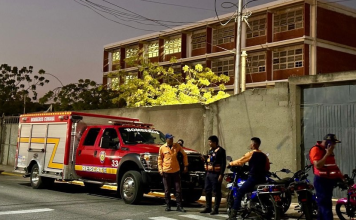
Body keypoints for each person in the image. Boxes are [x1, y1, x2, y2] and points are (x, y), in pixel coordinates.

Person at [227, 137, 270, 220]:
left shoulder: (251, 153)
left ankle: (233, 215)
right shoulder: (264, 155)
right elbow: (267, 167)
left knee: (240, 192)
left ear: (254, 144)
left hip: (253, 178)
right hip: (262, 178)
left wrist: (230, 163)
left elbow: (240, 161)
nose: (250, 145)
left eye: (251, 143)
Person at [309, 134, 343, 220]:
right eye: (333, 143)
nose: (334, 146)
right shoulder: (316, 150)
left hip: (329, 181)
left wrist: (341, 177)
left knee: (323, 206)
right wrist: (327, 154)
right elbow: (318, 166)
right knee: (325, 205)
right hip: (321, 181)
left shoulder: (329, 151)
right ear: (328, 142)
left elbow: (333, 166)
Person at [158, 133, 188, 212]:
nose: (171, 140)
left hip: (176, 171)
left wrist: (186, 165)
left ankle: (179, 206)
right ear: (166, 139)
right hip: (166, 171)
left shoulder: (177, 146)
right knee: (167, 190)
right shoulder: (162, 148)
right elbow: (160, 160)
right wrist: (160, 170)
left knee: (178, 189)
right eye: (170, 139)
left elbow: (184, 155)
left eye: (172, 139)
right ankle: (168, 205)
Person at [200, 135, 226, 215]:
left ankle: (216, 208)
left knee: (216, 191)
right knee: (207, 190)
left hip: (216, 174)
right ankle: (208, 207)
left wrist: (221, 174)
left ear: (215, 142)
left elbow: (223, 163)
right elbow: (209, 160)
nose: (209, 143)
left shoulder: (221, 151)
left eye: (210, 142)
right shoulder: (211, 150)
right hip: (208, 173)